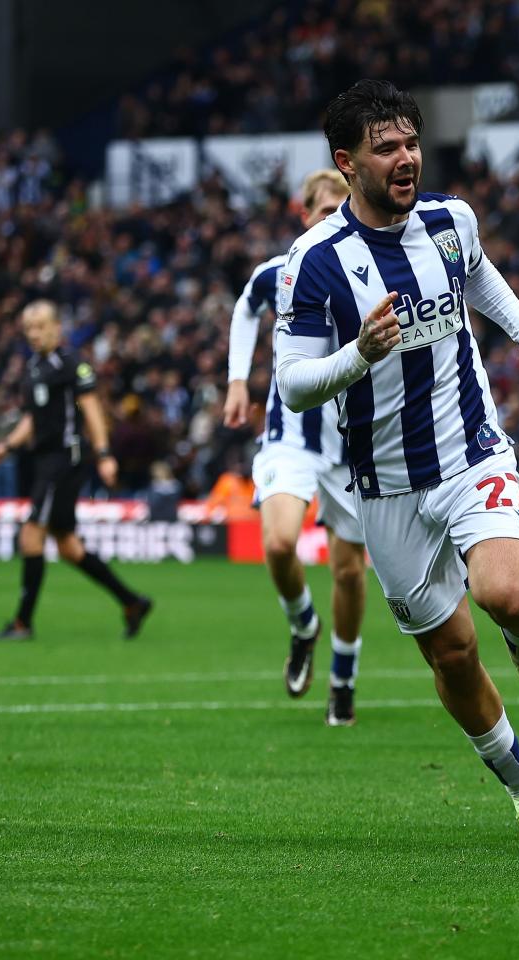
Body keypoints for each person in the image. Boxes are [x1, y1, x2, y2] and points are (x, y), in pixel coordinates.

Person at [273, 79, 519, 842]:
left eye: (411, 143)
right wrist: (358, 354)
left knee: (509, 597)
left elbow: (479, 276)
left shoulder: (449, 220)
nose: (406, 159)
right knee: (453, 653)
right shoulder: (313, 262)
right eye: (387, 149)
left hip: (471, 451)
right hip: (386, 487)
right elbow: (295, 384)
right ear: (347, 163)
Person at [224, 169, 370, 727]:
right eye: (324, 208)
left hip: (356, 440)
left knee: (350, 571)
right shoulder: (281, 270)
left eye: (343, 208)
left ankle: (343, 679)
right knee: (281, 542)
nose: (334, 217)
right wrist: (238, 380)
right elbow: (245, 306)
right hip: (292, 433)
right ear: (304, 214)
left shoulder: (371, 267)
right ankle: (303, 622)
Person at [0, 301, 153, 641]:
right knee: (68, 547)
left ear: (58, 327)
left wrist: (104, 454)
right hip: (45, 461)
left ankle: (22, 624)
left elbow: (91, 409)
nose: (35, 333)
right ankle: (132, 602)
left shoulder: (71, 364)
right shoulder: (34, 367)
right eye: (29, 328)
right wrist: (8, 446)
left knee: (31, 534)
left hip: (64, 460)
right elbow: (32, 419)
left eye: (41, 326)